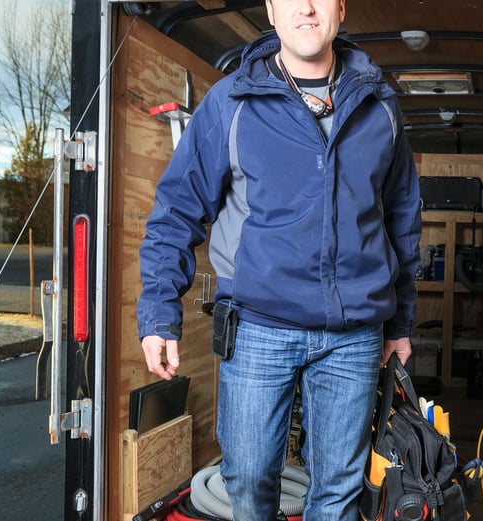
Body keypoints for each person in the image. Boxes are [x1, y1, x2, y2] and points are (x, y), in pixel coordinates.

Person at [136, 0, 422, 519]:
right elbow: (177, 209)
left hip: (354, 333)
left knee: (338, 488)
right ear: (271, 10)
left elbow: (401, 221)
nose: (306, 9)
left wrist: (400, 324)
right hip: (258, 327)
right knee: (247, 478)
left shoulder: (381, 105)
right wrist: (159, 312)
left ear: (341, 9)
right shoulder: (232, 102)